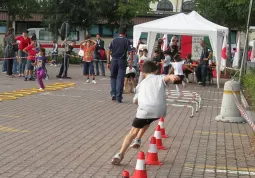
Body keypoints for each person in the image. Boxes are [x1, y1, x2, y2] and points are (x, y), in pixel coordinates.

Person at [111, 61, 179, 165]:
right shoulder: (159, 77)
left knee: (132, 132)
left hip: (145, 111)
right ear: (156, 71)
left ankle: (120, 154)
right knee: (147, 121)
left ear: (143, 72)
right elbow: (167, 78)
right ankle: (138, 139)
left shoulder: (140, 85)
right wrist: (172, 76)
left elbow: (136, 101)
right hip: (158, 111)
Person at [107, 27, 134, 103]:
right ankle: (119, 97)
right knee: (120, 78)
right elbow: (131, 52)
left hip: (113, 60)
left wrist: (108, 62)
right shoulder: (127, 41)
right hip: (122, 61)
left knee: (113, 77)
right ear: (125, 33)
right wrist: (131, 62)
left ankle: (113, 94)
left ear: (118, 33)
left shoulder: (113, 40)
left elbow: (108, 50)